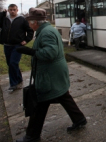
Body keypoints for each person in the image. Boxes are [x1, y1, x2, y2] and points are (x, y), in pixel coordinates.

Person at [15, 8, 87, 142]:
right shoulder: (47, 30)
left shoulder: (46, 33)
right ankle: (79, 119)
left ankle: (32, 136)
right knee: (63, 96)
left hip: (49, 74)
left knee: (40, 103)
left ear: (35, 22)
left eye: (30, 22)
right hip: (54, 72)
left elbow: (50, 53)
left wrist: (30, 52)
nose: (29, 25)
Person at [0, 4, 34, 92]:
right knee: (10, 63)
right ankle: (18, 78)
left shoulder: (22, 19)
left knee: (13, 63)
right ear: (8, 10)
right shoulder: (5, 19)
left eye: (14, 9)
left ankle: (13, 84)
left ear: (17, 10)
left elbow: (30, 31)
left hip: (17, 45)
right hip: (7, 45)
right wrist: (2, 13)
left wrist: (26, 40)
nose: (12, 11)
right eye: (10, 10)